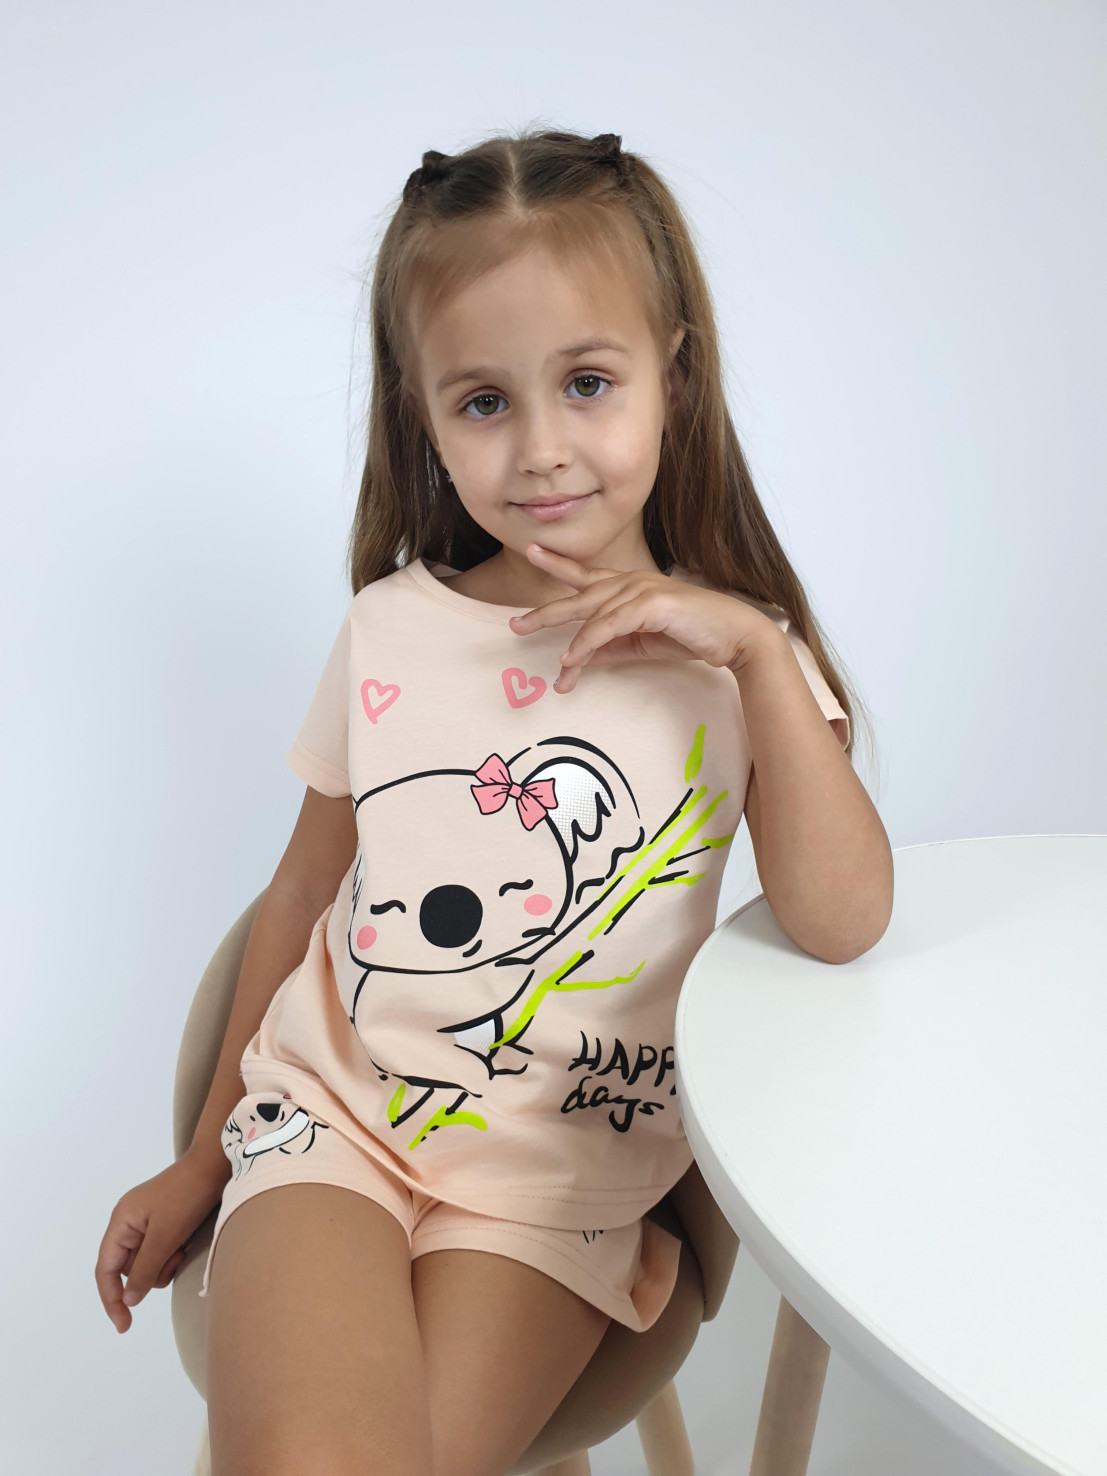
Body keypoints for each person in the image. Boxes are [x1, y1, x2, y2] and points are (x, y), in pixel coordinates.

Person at [96, 127, 893, 1476]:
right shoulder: (390, 629)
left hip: (555, 1186)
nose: (541, 451)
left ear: (673, 376)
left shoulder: (735, 664)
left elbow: (844, 921)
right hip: (329, 1125)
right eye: (483, 403)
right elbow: (300, 898)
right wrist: (201, 1159)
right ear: (425, 416)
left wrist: (759, 656)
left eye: (587, 383)